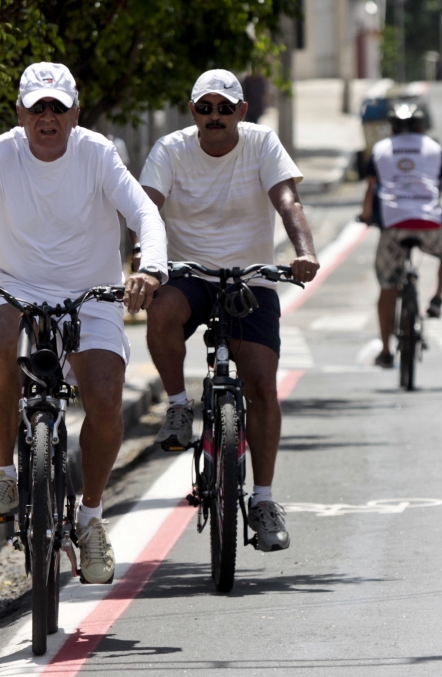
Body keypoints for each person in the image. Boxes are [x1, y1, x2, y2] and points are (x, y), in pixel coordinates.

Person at [0, 62, 167, 584]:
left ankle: (91, 518)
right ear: (21, 112)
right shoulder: (1, 152)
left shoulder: (99, 153)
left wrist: (150, 268)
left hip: (92, 294)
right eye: (37, 108)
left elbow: (145, 215)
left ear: (75, 113)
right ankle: (6, 475)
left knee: (105, 396)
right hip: (18, 286)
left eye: (58, 108)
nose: (47, 118)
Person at [140, 69, 319, 552]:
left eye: (224, 108)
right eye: (205, 108)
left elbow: (287, 199)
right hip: (189, 275)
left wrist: (303, 251)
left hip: (250, 279)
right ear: (193, 111)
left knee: (262, 385)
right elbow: (146, 208)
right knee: (161, 310)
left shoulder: (261, 144)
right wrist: (145, 265)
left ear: (241, 112)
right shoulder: (170, 150)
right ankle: (178, 408)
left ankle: (262, 500)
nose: (214, 116)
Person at [360, 102, 442, 369]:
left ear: (392, 126)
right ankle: (437, 299)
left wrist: (366, 215)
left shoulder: (380, 149)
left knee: (388, 286)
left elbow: (371, 190)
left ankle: (385, 350)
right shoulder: (433, 147)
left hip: (393, 226)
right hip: (430, 224)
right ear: (421, 126)